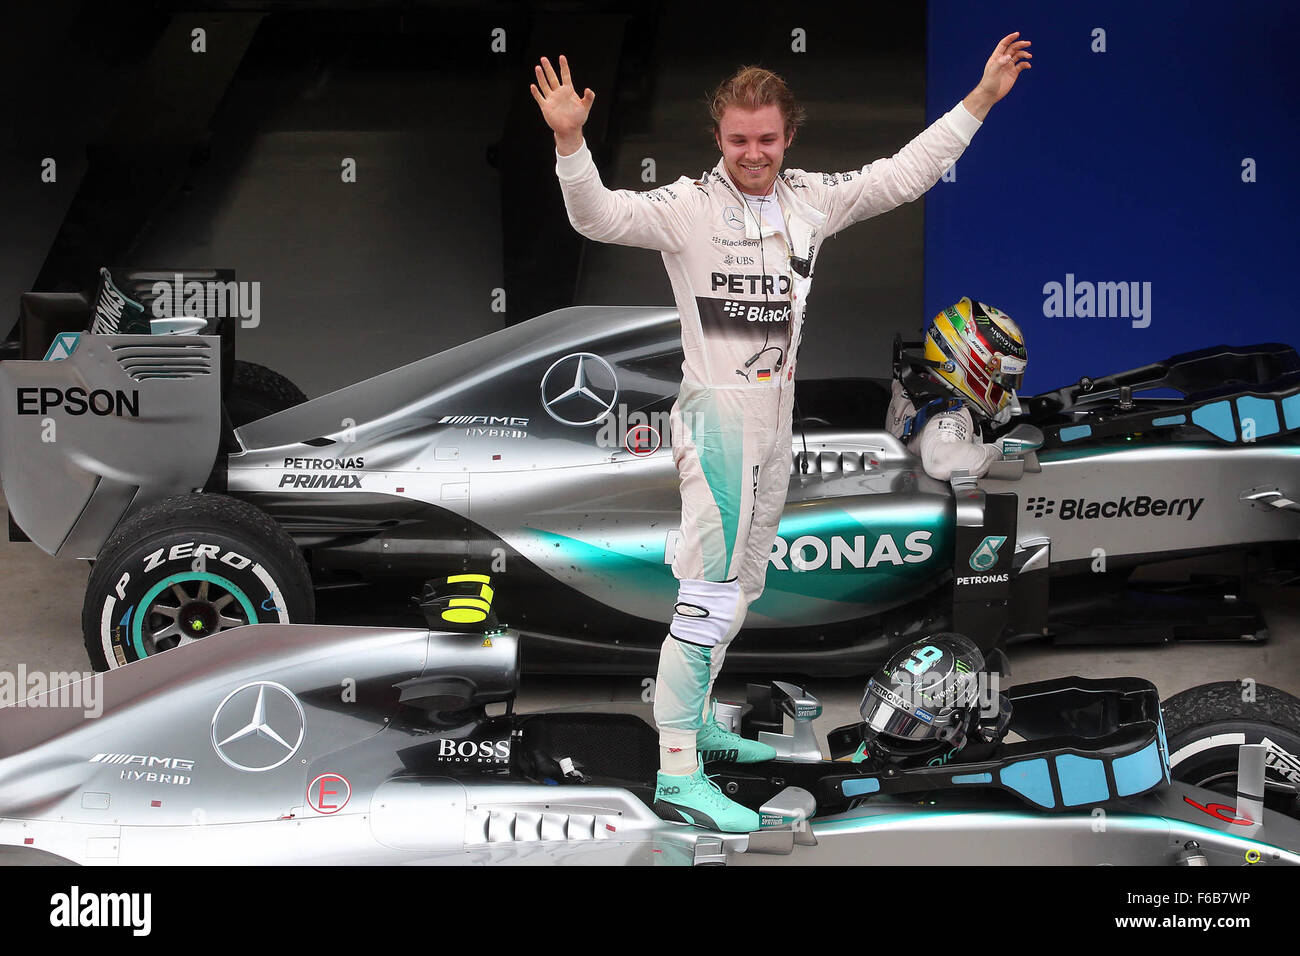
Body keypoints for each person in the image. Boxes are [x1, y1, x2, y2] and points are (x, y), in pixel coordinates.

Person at [532, 34, 1032, 832]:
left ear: (788, 135)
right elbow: (596, 216)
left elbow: (901, 175)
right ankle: (677, 774)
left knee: (739, 589)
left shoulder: (808, 198)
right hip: (719, 420)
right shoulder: (689, 206)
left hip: (774, 418)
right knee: (706, 594)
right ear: (717, 138)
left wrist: (980, 99)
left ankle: (694, 728)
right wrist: (569, 141)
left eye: (766, 138)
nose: (753, 153)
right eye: (738, 139)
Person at [886, 297, 1032, 481]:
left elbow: (1003, 409)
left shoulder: (911, 385)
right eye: (1004, 377)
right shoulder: (949, 415)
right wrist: (1002, 449)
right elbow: (944, 464)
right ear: (969, 365)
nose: (1008, 389)